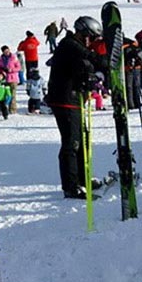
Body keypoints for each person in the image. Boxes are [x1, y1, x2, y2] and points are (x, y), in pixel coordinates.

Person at [45, 16, 107, 199]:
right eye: (92, 38)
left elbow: (83, 68)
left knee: (83, 139)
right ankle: (71, 186)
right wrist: (105, 62)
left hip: (74, 98)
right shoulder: (70, 45)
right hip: (64, 99)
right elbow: (91, 59)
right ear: (84, 34)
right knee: (72, 142)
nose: (92, 42)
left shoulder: (74, 45)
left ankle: (83, 178)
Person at [0, 46, 21, 113]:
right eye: (5, 51)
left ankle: (12, 109)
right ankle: (3, 109)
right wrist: (2, 71)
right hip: (4, 79)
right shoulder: (1, 59)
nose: (7, 52)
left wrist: (12, 70)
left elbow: (19, 67)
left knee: (12, 95)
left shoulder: (14, 57)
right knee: (3, 95)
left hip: (13, 78)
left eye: (8, 51)